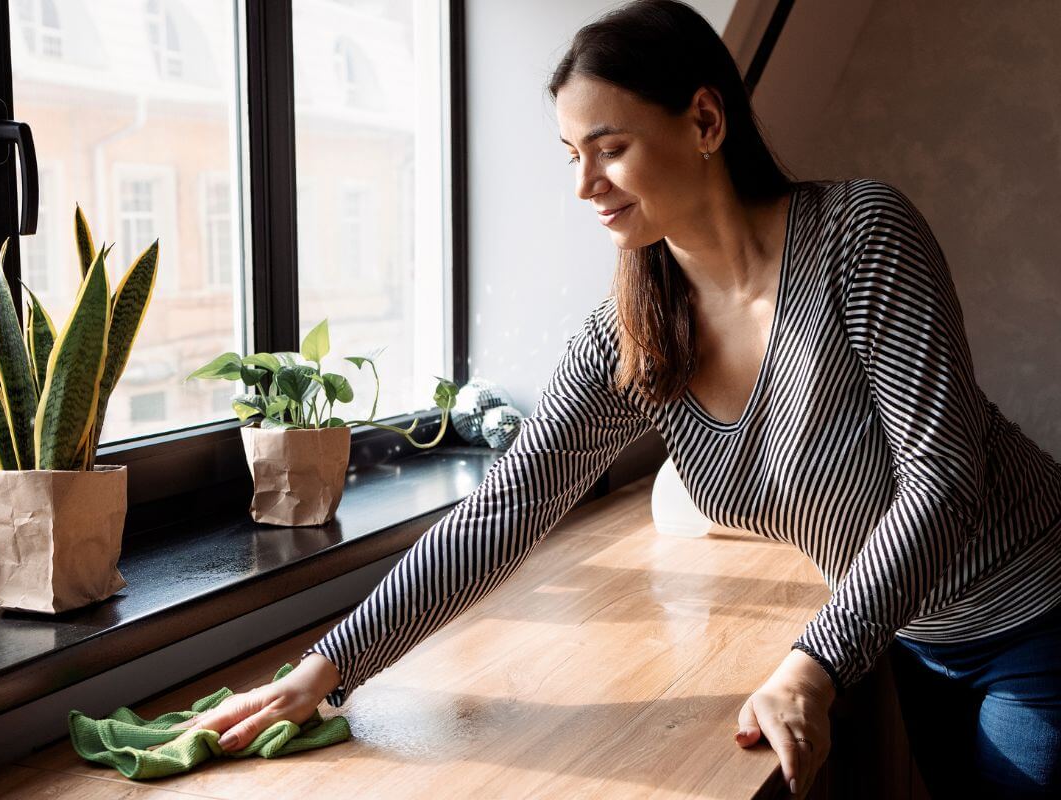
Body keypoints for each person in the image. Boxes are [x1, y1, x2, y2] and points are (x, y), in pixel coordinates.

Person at [168, 1, 1061, 796]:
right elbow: (506, 508)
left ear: (705, 119)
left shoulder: (860, 237)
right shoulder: (632, 332)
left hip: (1037, 612)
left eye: (610, 148)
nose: (583, 185)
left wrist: (812, 662)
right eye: (571, 154)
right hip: (912, 638)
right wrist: (325, 669)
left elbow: (942, 480)